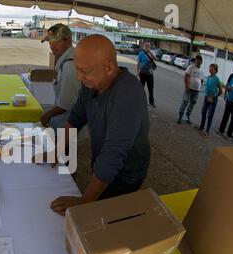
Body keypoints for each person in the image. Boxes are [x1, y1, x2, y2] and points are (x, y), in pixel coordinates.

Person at [48, 35, 150, 214]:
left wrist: (85, 202)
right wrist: (56, 152)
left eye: (85, 71)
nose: (79, 77)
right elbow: (75, 119)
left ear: (109, 68)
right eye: (77, 70)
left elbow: (112, 156)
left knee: (106, 217)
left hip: (125, 174)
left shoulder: (128, 95)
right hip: (104, 164)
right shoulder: (91, 85)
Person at [39, 23, 81, 130]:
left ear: (68, 41)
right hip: (64, 123)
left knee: (65, 147)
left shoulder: (70, 65)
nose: (52, 46)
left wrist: (47, 115)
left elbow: (66, 103)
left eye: (56, 42)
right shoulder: (65, 59)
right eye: (50, 41)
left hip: (71, 127)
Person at [176, 55, 204, 124]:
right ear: (195, 61)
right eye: (196, 60)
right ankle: (180, 116)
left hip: (196, 90)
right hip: (189, 88)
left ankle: (187, 116)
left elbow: (201, 80)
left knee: (192, 103)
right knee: (185, 101)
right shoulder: (191, 67)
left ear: (201, 62)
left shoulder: (201, 71)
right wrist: (186, 86)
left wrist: (200, 85)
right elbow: (185, 76)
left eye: (199, 60)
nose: (197, 61)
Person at [198, 64, 222, 136]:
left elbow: (220, 90)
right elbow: (204, 84)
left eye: (212, 68)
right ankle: (201, 126)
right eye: (210, 68)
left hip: (212, 99)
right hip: (206, 97)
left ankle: (207, 130)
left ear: (215, 70)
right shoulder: (208, 77)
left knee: (210, 115)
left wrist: (215, 96)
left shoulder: (217, 79)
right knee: (203, 111)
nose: (210, 69)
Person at [137, 42, 157, 108]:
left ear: (150, 47)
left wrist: (150, 52)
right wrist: (138, 74)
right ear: (144, 46)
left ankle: (151, 102)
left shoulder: (152, 53)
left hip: (150, 74)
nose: (147, 47)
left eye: (148, 46)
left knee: (151, 89)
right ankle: (139, 101)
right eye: (146, 45)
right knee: (141, 88)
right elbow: (138, 64)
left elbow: (155, 59)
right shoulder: (141, 53)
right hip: (142, 73)